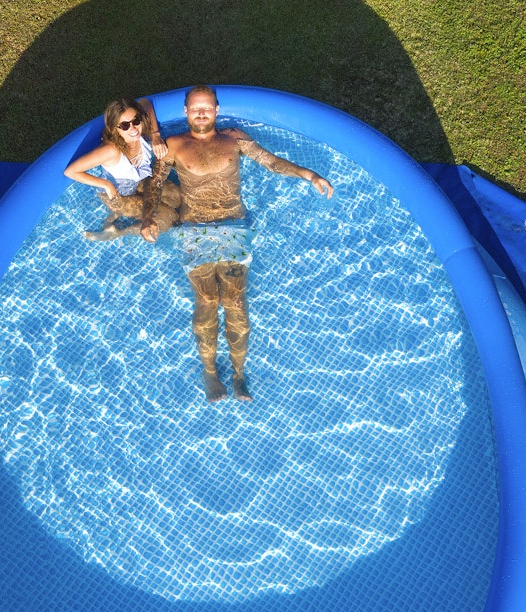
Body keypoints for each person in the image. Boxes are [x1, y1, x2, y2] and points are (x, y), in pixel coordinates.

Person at [141, 85, 334, 403]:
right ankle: (210, 371)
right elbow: (154, 183)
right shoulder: (173, 146)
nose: (201, 113)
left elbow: (271, 162)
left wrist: (308, 174)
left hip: (233, 227)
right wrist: (148, 216)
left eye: (206, 107)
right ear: (186, 111)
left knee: (235, 304)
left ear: (216, 110)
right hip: (195, 229)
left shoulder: (234, 138)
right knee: (206, 302)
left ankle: (238, 373)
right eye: (194, 108)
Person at [64, 98, 181, 241]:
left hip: (139, 182)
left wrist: (156, 136)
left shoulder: (141, 134)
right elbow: (71, 171)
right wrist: (106, 184)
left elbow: (145, 102)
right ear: (115, 128)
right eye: (124, 126)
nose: (133, 128)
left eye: (136, 120)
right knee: (167, 217)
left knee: (176, 198)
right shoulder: (111, 150)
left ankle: (117, 216)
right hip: (118, 196)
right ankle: (116, 232)